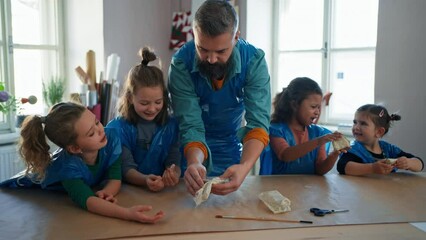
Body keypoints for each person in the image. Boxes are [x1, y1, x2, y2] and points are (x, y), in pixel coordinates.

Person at [168, 0, 271, 196]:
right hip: (189, 149)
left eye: (221, 51)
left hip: (231, 144)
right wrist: (194, 163)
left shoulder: (254, 61)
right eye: (203, 49)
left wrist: (245, 166)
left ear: (236, 37)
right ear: (194, 35)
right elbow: (190, 124)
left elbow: (258, 123)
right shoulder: (181, 64)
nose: (211, 59)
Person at [0, 102, 164, 223]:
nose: (101, 130)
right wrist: (128, 213)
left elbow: (115, 177)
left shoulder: (111, 138)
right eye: (92, 133)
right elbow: (89, 201)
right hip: (25, 186)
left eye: (97, 121)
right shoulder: (67, 168)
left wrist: (107, 192)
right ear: (75, 148)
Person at [107, 47, 181, 192]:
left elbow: (174, 161)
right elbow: (125, 168)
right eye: (144, 103)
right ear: (130, 98)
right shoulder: (118, 129)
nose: (152, 109)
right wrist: (145, 180)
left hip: (163, 192)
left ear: (165, 98)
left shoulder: (172, 126)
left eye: (158, 102)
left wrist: (174, 174)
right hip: (129, 191)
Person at [259, 77, 348, 175]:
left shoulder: (318, 133)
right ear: (294, 105)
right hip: (279, 188)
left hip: (306, 189)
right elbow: (285, 155)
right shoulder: (275, 130)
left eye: (319, 107)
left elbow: (320, 170)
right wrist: (319, 141)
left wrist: (335, 154)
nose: (317, 112)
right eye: (313, 107)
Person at [337, 104, 424, 176]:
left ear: (379, 132)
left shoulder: (389, 149)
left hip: (386, 192)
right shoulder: (352, 149)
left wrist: (408, 163)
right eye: (355, 122)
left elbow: (420, 164)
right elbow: (342, 166)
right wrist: (372, 168)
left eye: (363, 124)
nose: (356, 127)